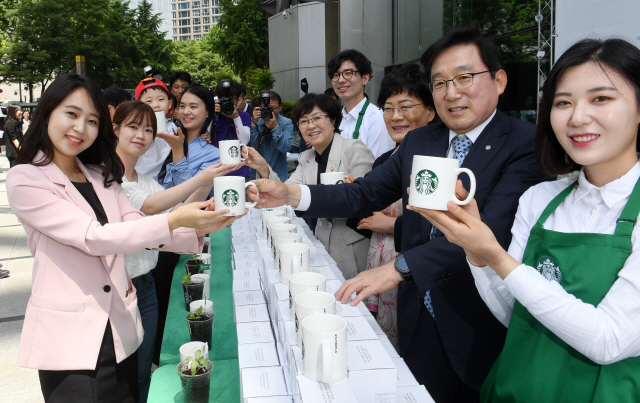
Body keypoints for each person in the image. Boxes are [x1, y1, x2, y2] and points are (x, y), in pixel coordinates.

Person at [248, 26, 550, 403]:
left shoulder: (525, 145)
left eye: (464, 78)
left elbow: (492, 235)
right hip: (418, 313)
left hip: (476, 320)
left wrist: (398, 268)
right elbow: (365, 192)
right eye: (440, 83)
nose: (451, 92)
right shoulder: (422, 140)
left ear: (499, 79)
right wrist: (292, 193)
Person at [411, 38, 640, 402]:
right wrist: (477, 254)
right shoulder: (541, 198)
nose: (578, 117)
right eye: (563, 102)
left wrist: (498, 258)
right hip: (512, 389)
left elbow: (609, 340)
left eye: (601, 98)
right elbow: (512, 312)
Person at [7, 73, 237, 402]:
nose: (80, 128)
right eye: (71, 114)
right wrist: (176, 219)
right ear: (47, 113)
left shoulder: (102, 174)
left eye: (91, 120)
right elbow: (93, 237)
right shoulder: (26, 178)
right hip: (70, 341)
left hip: (120, 328)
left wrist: (203, 226)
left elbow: (138, 227)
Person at [113, 100, 240, 402]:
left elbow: (177, 210)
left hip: (146, 285)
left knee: (144, 367)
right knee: (122, 373)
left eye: (148, 129)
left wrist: (208, 197)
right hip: (120, 287)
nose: (141, 135)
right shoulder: (110, 180)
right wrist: (203, 178)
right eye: (132, 126)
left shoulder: (144, 180)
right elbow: (152, 207)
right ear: (114, 129)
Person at [246, 93, 375, 279]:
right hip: (319, 244)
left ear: (333, 121)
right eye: (304, 121)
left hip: (350, 250)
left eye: (317, 118)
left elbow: (365, 200)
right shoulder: (307, 158)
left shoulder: (354, 149)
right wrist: (263, 167)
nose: (311, 125)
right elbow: (286, 192)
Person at [354, 65, 436, 350]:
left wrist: (390, 226)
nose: (396, 116)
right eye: (388, 108)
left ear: (431, 110)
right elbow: (366, 200)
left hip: (413, 267)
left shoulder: (438, 165)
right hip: (379, 261)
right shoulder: (385, 160)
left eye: (405, 106)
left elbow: (436, 230)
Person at [328, 49, 396, 159]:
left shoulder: (377, 119)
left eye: (348, 73)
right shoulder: (334, 119)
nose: (340, 80)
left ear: (365, 78)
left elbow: (378, 166)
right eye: (336, 75)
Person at [161, 84, 221, 188]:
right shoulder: (167, 136)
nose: (185, 112)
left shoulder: (214, 155)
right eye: (182, 106)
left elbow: (190, 196)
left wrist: (177, 150)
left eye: (193, 107)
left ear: (208, 112)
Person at [134, 78, 183, 182]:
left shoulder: (173, 127)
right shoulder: (135, 127)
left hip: (163, 180)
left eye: (161, 99)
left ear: (170, 103)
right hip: (138, 177)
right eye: (149, 101)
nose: (156, 104)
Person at [210, 79, 251, 178]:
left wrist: (236, 118)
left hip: (239, 171)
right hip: (216, 171)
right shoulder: (213, 116)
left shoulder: (244, 116)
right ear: (218, 99)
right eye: (224, 99)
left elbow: (244, 141)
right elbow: (204, 137)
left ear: (238, 99)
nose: (228, 102)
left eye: (232, 99)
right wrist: (211, 116)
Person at [249, 91, 294, 181]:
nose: (270, 111)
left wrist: (275, 128)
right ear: (260, 107)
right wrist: (254, 123)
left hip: (278, 175)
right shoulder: (255, 121)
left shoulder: (286, 123)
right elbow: (252, 148)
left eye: (274, 108)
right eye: (266, 108)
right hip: (257, 175)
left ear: (281, 107)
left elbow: (286, 148)